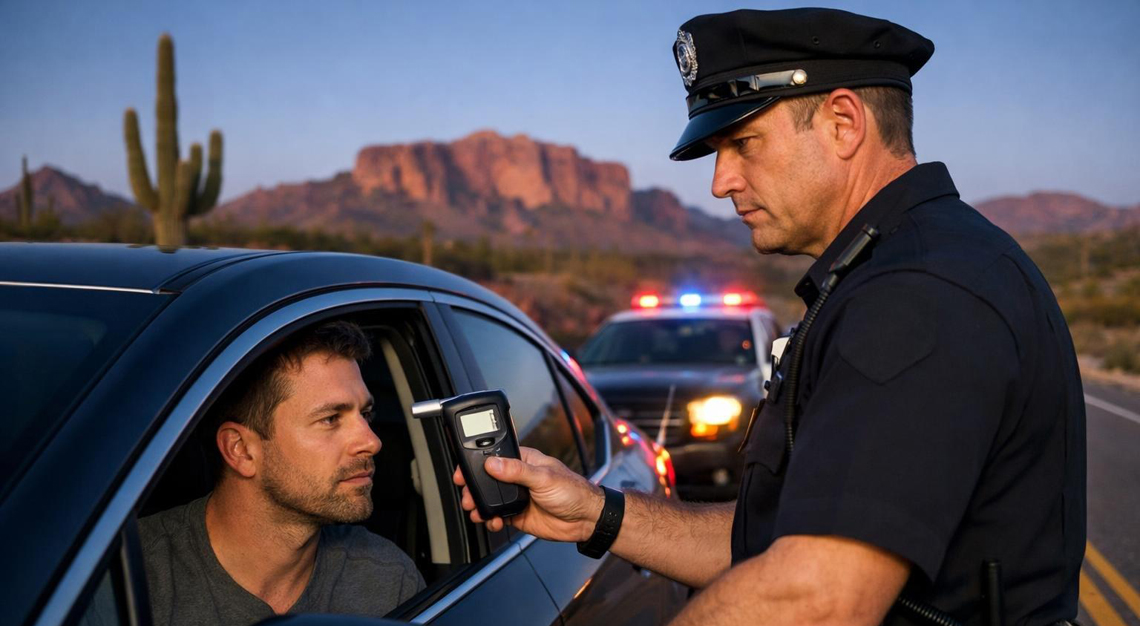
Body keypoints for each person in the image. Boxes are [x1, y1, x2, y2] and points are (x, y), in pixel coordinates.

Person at [455, 8, 1085, 625]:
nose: (720, 181)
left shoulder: (917, 294)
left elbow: (817, 598)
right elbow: (773, 541)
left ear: (843, 122)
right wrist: (594, 513)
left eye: (743, 143)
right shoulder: (897, 267)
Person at [140, 320, 424, 626]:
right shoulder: (135, 577)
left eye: (366, 414)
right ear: (241, 450)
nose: (372, 441)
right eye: (330, 419)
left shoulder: (386, 579)